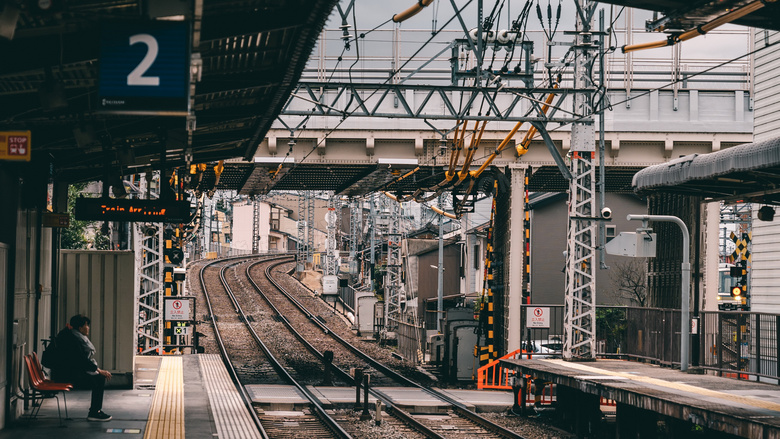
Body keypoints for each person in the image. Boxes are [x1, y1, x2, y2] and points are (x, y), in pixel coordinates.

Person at [52, 314, 113, 421]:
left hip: (67, 372)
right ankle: (94, 412)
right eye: (86, 325)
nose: (88, 328)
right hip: (67, 375)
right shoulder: (73, 340)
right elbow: (81, 360)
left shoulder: (72, 336)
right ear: (80, 328)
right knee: (99, 379)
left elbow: (81, 361)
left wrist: (97, 370)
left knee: (98, 378)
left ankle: (95, 411)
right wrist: (99, 370)